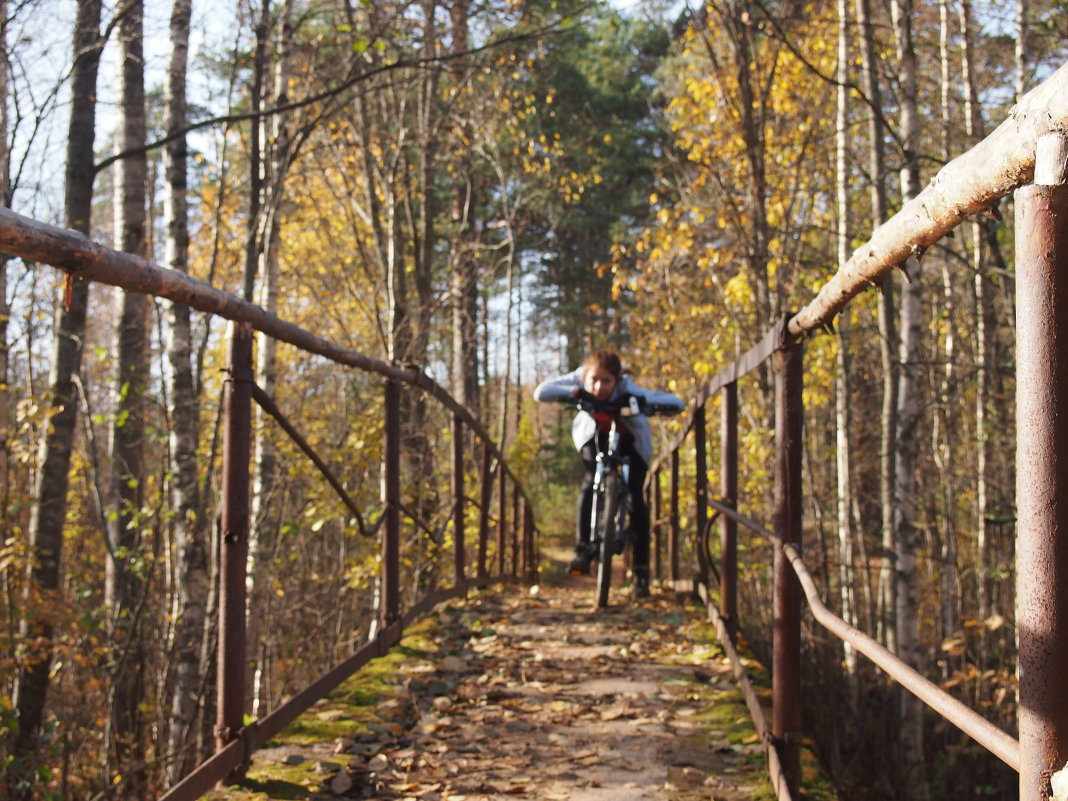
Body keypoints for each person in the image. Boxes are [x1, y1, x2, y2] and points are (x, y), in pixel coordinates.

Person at [533, 350, 685, 598]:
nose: (599, 386)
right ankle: (582, 550)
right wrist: (575, 391)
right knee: (589, 481)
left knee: (636, 498)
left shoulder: (628, 390)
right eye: (594, 379)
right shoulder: (580, 380)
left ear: (617, 380)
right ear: (586, 376)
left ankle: (641, 572)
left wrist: (648, 406)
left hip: (630, 443)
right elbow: (541, 392)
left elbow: (677, 403)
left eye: (606, 381)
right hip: (594, 439)